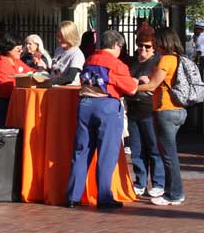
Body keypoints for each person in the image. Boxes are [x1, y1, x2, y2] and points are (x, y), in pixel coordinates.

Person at [65, 30, 138, 209]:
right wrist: (136, 80)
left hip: (85, 105)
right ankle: (104, 196)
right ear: (115, 45)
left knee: (81, 151)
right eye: (120, 47)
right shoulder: (116, 64)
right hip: (107, 107)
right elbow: (131, 89)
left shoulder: (89, 59)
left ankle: (73, 196)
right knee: (106, 153)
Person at [136, 27, 188, 206]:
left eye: (157, 41)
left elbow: (152, 85)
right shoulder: (178, 58)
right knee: (169, 154)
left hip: (165, 109)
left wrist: (131, 87)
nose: (155, 45)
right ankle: (172, 191)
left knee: (168, 155)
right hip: (178, 109)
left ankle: (174, 194)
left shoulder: (166, 59)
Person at [124, 28, 164, 198]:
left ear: (154, 47)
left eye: (147, 47)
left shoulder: (158, 63)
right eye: (140, 46)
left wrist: (143, 83)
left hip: (150, 111)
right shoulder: (132, 62)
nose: (143, 50)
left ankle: (158, 183)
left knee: (154, 149)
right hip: (134, 110)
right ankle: (140, 181)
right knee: (137, 149)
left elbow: (158, 85)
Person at [0, 33, 37, 128]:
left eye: (21, 48)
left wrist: (40, 71)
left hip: (13, 103)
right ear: (8, 49)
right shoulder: (1, 65)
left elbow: (31, 71)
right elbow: (7, 88)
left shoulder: (17, 62)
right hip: (2, 106)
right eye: (18, 49)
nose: (21, 51)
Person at [48, 21, 86, 86]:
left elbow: (70, 78)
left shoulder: (77, 54)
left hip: (69, 90)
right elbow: (56, 72)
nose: (59, 40)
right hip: (55, 89)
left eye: (62, 37)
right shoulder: (59, 50)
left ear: (71, 36)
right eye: (58, 36)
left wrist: (51, 83)